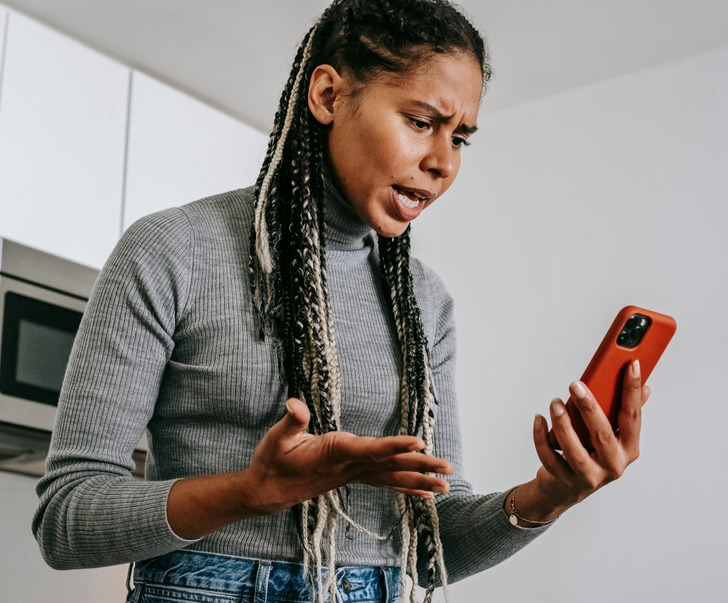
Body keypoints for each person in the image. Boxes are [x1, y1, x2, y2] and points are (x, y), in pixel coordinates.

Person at [33, 1, 648, 602]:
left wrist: (549, 496)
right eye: (421, 122)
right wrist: (250, 491)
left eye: (460, 137)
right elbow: (67, 518)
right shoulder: (173, 250)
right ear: (328, 96)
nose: (442, 163)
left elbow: (430, 552)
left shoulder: (424, 303)